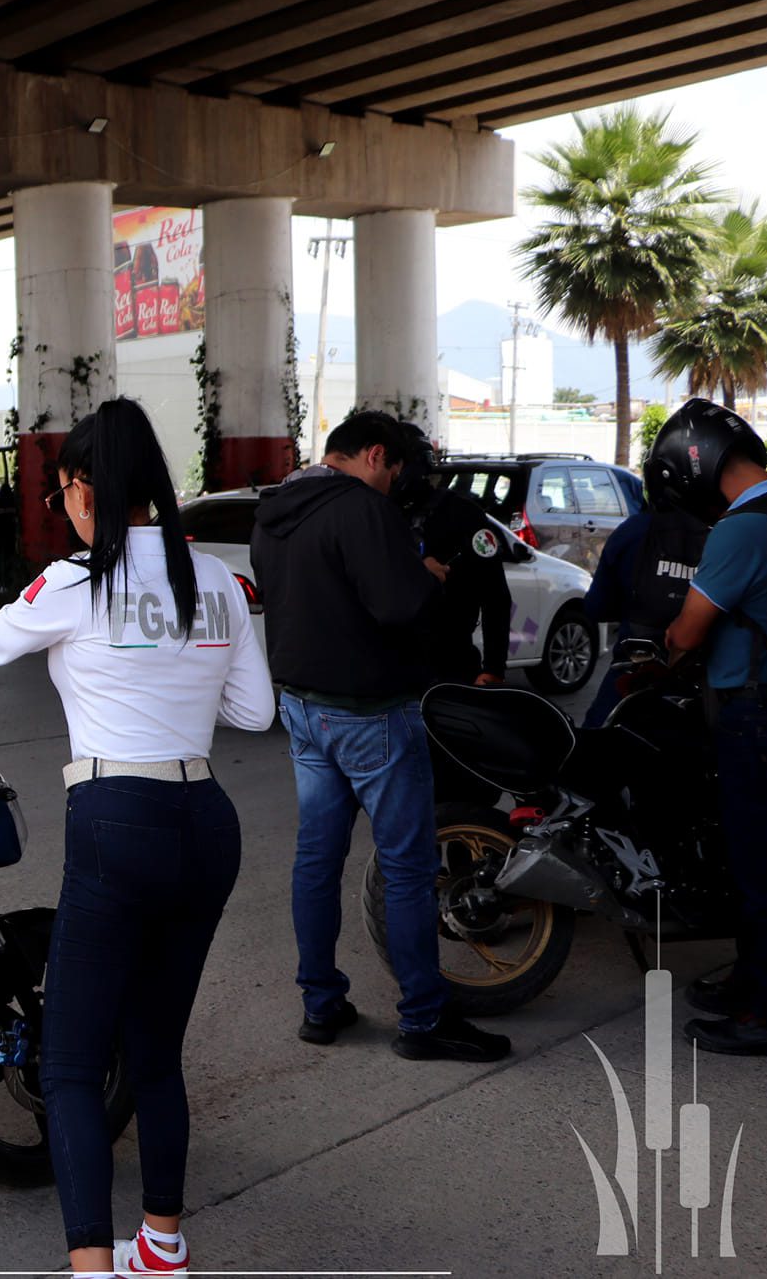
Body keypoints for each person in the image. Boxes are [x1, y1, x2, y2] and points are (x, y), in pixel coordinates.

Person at [0, 398, 274, 1279]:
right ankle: (164, 1247)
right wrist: (184, 678)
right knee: (154, 1049)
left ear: (82, 489)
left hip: (117, 820)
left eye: (62, 488)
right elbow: (255, 711)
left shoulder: (75, 581)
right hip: (206, 822)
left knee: (69, 1062)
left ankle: (93, 1269)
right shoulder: (215, 581)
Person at [249, 410, 510, 1063]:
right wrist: (427, 574)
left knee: (316, 860)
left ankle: (321, 1003)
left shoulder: (275, 510)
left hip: (304, 710)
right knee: (408, 867)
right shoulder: (361, 509)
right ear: (373, 455)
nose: (394, 484)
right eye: (393, 471)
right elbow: (400, 604)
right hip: (370, 713)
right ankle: (424, 1018)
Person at [650, 400, 767, 1058]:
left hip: (759, 714)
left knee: (760, 868)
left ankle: (765, 1014)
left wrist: (665, 643)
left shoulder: (742, 528)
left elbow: (688, 629)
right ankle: (754, 982)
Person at [579, 489, 710, 728]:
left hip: (634, 672)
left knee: (593, 752)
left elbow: (596, 607)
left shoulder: (634, 529)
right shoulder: (728, 533)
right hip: (705, 683)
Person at [397, 423, 511, 690]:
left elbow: (495, 596)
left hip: (448, 661)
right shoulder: (375, 511)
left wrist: (494, 668)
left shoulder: (461, 514)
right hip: (386, 666)